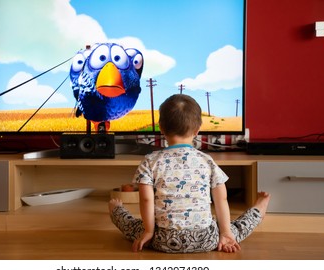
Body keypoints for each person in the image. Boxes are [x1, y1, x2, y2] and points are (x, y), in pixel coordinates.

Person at [109, 94, 270, 253]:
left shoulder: (150, 161)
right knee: (235, 229)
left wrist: (149, 232)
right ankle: (258, 210)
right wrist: (225, 233)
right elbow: (221, 199)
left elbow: (145, 199)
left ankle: (116, 208)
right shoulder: (208, 161)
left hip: (163, 240)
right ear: (197, 130)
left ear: (161, 128)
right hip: (206, 239)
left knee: (132, 226)